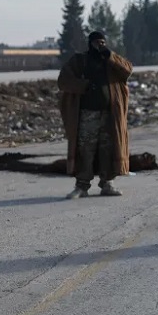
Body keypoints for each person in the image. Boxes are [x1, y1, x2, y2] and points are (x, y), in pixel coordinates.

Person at [58, 31, 132, 199]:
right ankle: (82, 186)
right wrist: (83, 85)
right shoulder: (80, 61)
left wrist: (110, 55)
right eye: (97, 42)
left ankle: (107, 183)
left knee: (108, 149)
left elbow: (127, 70)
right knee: (85, 150)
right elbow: (63, 81)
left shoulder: (111, 61)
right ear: (90, 43)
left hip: (109, 115)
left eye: (103, 42)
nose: (100, 45)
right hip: (87, 115)